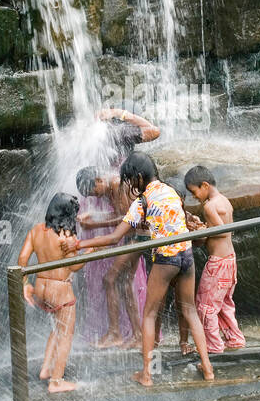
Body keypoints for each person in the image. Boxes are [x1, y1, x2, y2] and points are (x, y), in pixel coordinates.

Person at [80, 152, 214, 386]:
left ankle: (146, 375)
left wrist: (81, 243)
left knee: (149, 315)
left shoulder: (142, 201)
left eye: (132, 181)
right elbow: (179, 219)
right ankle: (208, 368)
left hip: (167, 259)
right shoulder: (171, 190)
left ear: (140, 177)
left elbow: (113, 238)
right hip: (187, 255)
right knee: (190, 311)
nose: (131, 186)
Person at [17, 193, 85, 393]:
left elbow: (22, 259)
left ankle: (46, 369)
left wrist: (24, 284)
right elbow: (75, 267)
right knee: (66, 334)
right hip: (60, 290)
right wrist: (89, 253)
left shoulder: (36, 230)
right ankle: (56, 381)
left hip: (40, 287)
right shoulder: (66, 236)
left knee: (56, 329)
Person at [76, 167, 146, 349]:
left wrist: (94, 225)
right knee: (123, 283)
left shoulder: (116, 183)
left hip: (137, 237)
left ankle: (116, 333)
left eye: (94, 192)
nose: (96, 197)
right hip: (133, 236)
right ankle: (137, 335)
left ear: (99, 180)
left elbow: (127, 218)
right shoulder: (109, 186)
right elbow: (119, 214)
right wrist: (93, 215)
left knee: (110, 279)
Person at [184, 165, 244, 354]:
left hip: (217, 264)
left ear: (204, 185)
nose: (194, 197)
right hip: (230, 261)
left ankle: (213, 345)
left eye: (194, 192)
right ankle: (234, 339)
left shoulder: (209, 206)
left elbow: (222, 231)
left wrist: (200, 231)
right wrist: (204, 227)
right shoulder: (224, 201)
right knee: (225, 304)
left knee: (205, 305)